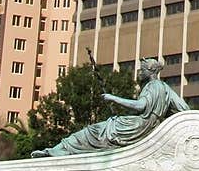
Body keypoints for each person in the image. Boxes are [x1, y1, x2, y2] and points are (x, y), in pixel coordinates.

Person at [30, 57, 188, 158]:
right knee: (95, 131)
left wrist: (113, 98)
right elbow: (185, 109)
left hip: (137, 126)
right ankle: (57, 151)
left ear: (150, 71)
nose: (139, 72)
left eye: (142, 70)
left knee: (93, 132)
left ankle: (56, 152)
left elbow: (141, 106)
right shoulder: (165, 87)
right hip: (145, 125)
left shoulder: (153, 86)